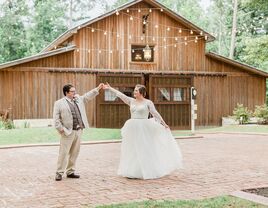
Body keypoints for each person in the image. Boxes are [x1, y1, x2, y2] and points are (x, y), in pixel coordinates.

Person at [103, 83, 183, 179]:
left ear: (141, 93)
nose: (134, 92)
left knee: (144, 148)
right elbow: (120, 95)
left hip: (144, 128)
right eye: (135, 90)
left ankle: (146, 170)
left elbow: (155, 113)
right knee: (132, 149)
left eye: (136, 90)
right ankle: (133, 171)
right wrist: (110, 88)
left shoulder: (148, 103)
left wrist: (164, 124)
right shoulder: (131, 101)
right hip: (132, 128)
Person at [53, 83, 103, 181]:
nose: (74, 93)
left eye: (74, 91)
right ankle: (59, 172)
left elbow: (88, 96)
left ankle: (70, 171)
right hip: (67, 132)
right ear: (66, 93)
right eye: (72, 91)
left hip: (79, 130)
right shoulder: (59, 103)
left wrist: (98, 88)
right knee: (63, 153)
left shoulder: (78, 99)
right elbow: (56, 118)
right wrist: (61, 129)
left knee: (75, 152)